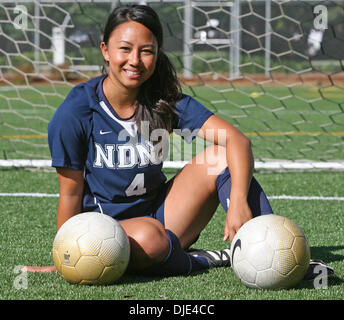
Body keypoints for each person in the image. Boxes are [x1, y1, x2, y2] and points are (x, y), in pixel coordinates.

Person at [24, 5, 332, 279]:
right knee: (150, 239)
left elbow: (237, 141)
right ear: (105, 50)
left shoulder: (162, 100)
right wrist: (66, 254)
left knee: (220, 157)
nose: (135, 60)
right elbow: (70, 192)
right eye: (125, 49)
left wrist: (237, 202)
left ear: (157, 54)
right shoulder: (76, 110)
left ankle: (275, 254)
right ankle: (199, 261)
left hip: (162, 213)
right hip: (105, 229)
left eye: (146, 51)